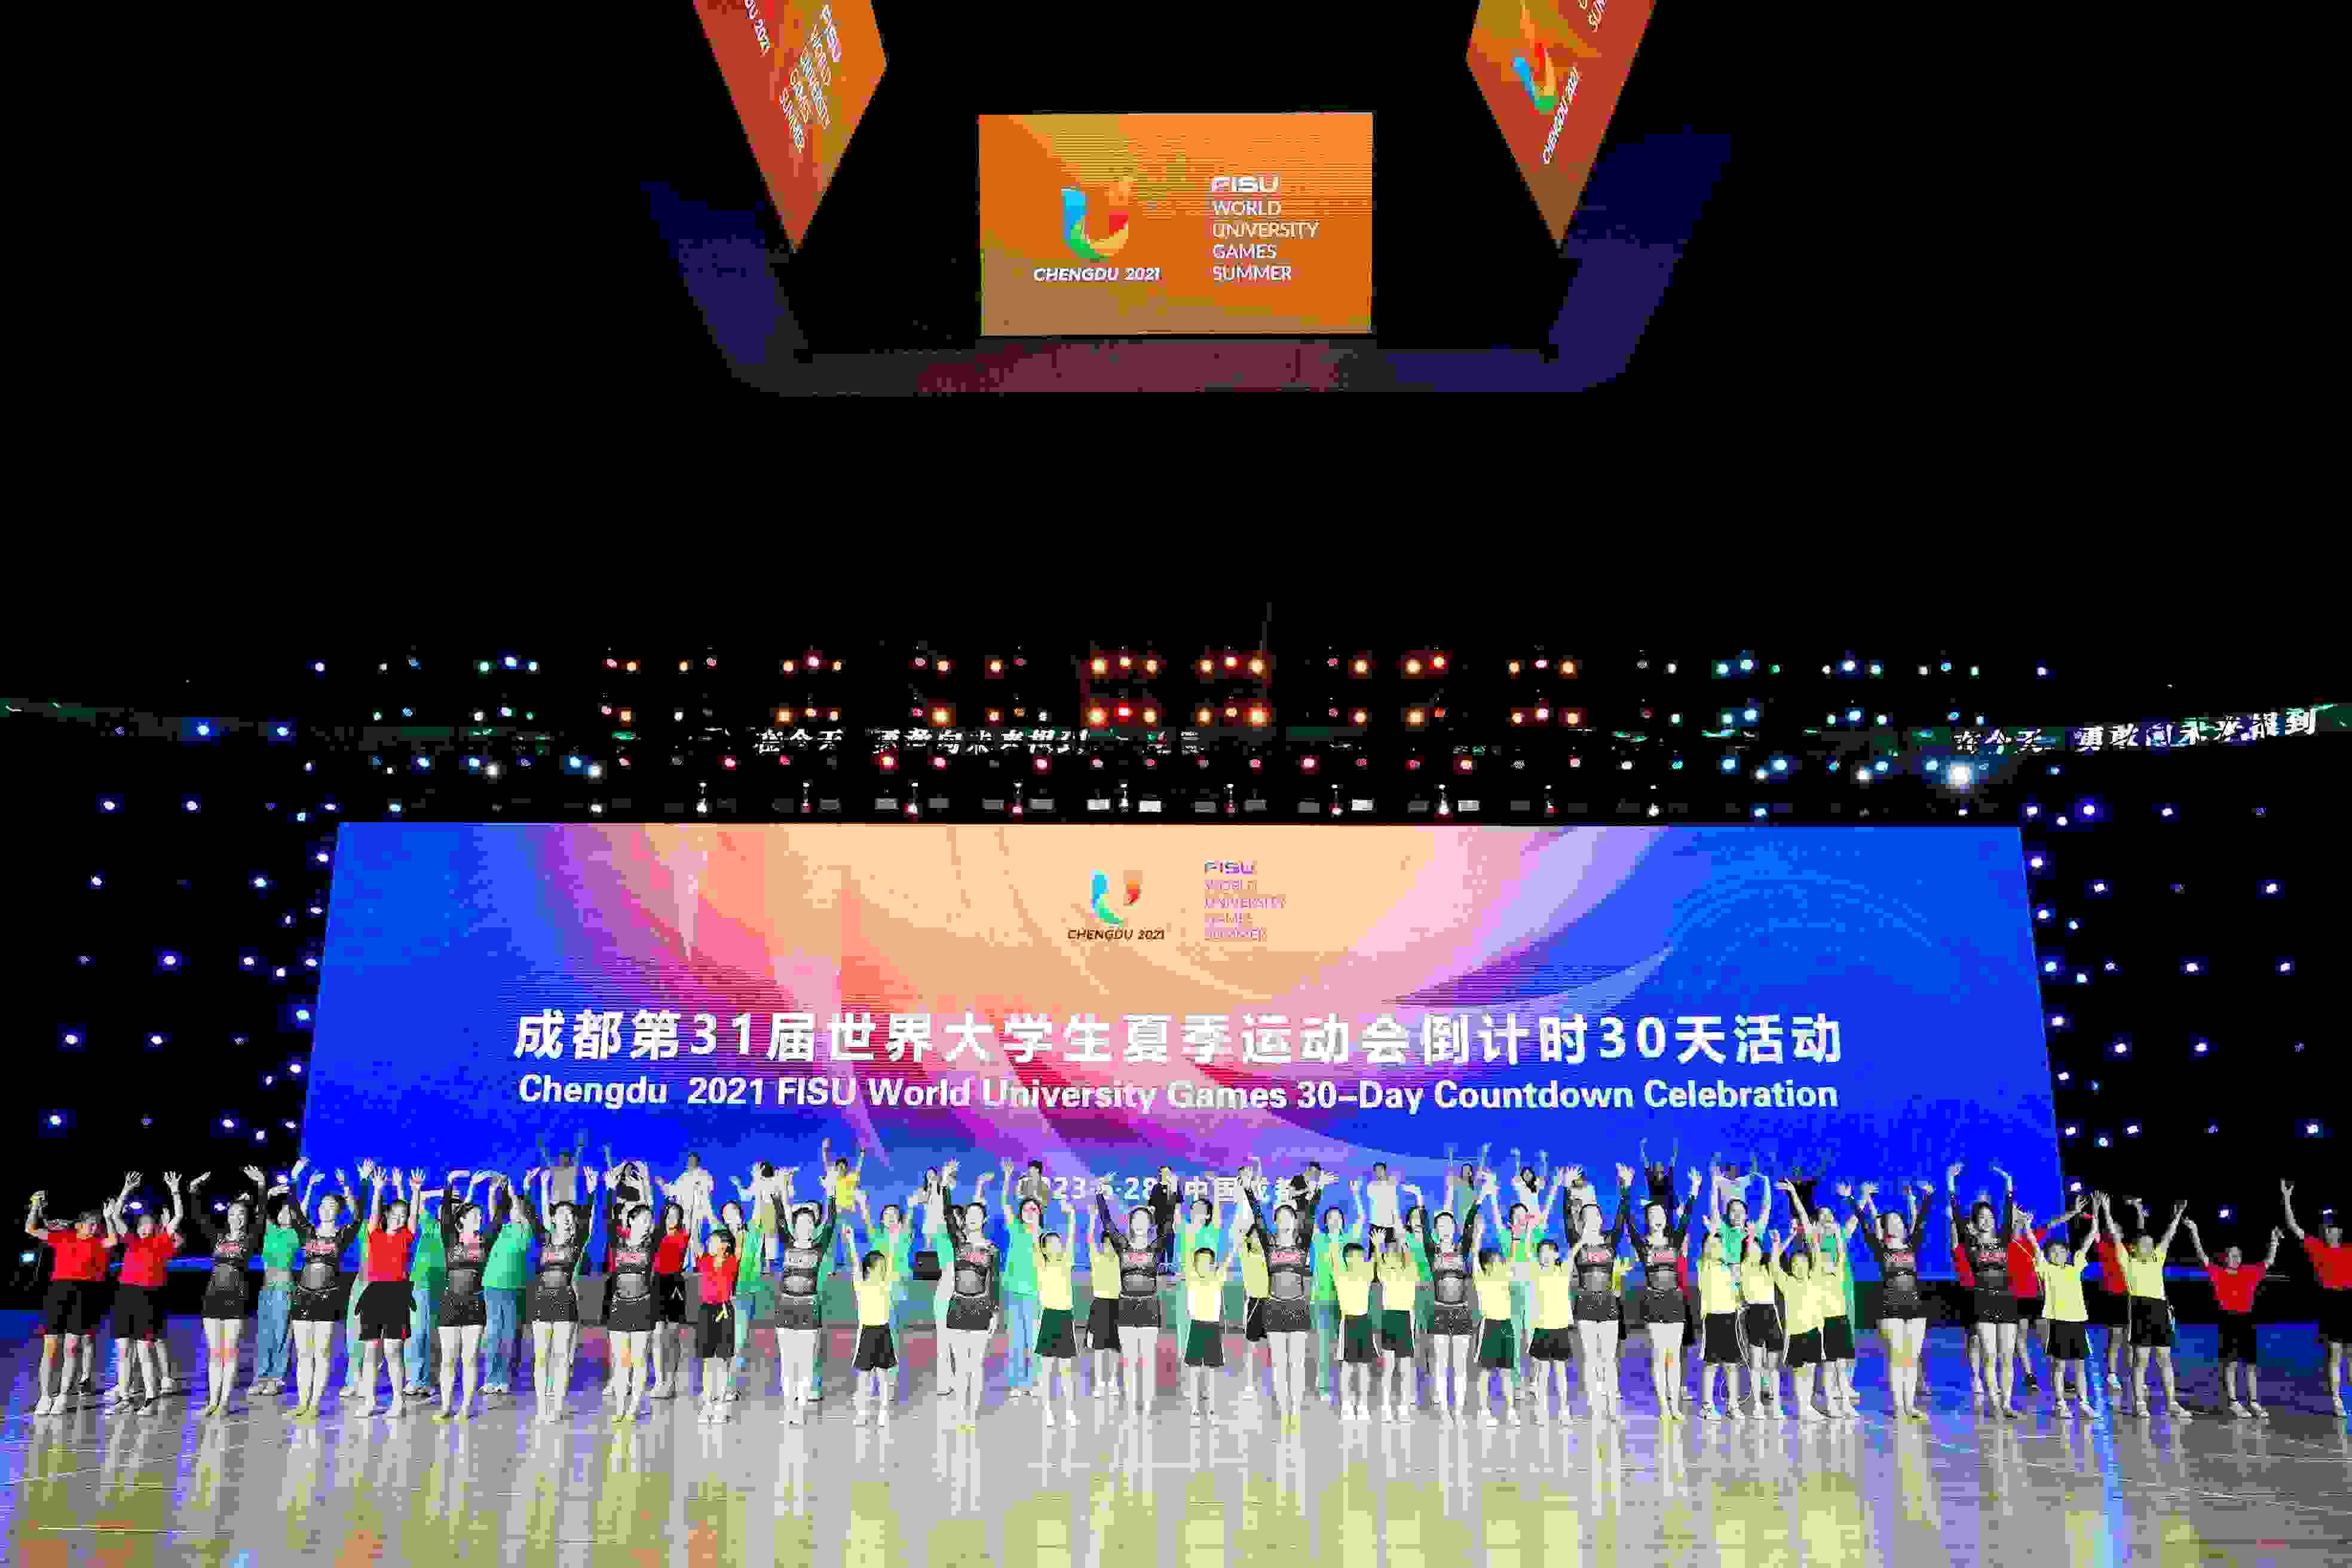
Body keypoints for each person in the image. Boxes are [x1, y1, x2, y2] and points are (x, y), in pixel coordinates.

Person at [182, 1167, 272, 1414]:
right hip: (212, 1298)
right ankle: (212, 1401)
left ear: (246, 1217)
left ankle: (224, 1402)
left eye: (241, 1214)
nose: (237, 1218)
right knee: (214, 1353)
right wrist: (194, 1190)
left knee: (229, 1352)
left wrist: (261, 1186)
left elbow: (262, 1216)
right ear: (228, 1216)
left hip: (236, 1299)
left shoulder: (251, 1238)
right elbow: (199, 1216)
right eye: (233, 1214)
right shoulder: (218, 1237)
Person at [2102, 1192, 2190, 1419]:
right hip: (2140, 1309)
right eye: (2144, 1245)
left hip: (2160, 1310)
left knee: (2165, 1359)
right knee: (2140, 1360)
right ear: (2133, 1248)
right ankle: (2140, 1403)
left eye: (2151, 1244)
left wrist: (2178, 1215)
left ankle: (2172, 1403)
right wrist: (2106, 1211)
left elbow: (2169, 1236)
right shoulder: (2127, 1261)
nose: (2150, 1247)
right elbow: (2115, 1236)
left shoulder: (2157, 1258)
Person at [26, 1190, 113, 1415]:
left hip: (84, 1294)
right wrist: (35, 1205)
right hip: (58, 1292)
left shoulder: (99, 1242)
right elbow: (31, 1229)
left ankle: (63, 1396)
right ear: (80, 1225)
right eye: (91, 1224)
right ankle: (45, 1396)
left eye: (97, 1225)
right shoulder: (63, 1237)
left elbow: (113, 1239)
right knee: (51, 1347)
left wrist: (110, 1217)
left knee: (73, 1347)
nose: (95, 1228)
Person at [285, 1166, 361, 1420]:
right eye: (323, 1205)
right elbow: (294, 1209)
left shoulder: (342, 1235)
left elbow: (358, 1217)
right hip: (302, 1295)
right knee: (303, 1354)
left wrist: (352, 1186)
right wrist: (294, 1178)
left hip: (327, 1297)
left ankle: (315, 1404)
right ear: (318, 1209)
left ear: (338, 1212)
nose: (326, 1209)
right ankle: (302, 1402)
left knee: (322, 1352)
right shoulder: (307, 1231)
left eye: (332, 1206)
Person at [1949, 1160, 2023, 1419]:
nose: (1987, 1221)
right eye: (1981, 1218)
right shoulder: (1970, 1243)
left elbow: (2009, 1211)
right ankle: (1994, 1402)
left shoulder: (2003, 1239)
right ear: (1975, 1222)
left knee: (2007, 1356)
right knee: (1990, 1355)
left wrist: (2008, 1183)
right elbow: (1956, 1214)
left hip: (2007, 1301)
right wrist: (1951, 1183)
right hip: (1983, 1302)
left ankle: (2007, 1403)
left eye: (1990, 1217)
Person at [517, 1169, 592, 1423]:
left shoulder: (577, 1242)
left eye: (570, 1214)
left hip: (565, 1304)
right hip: (541, 1302)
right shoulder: (543, 1239)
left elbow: (587, 1218)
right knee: (541, 1357)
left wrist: (592, 1191)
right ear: (554, 1218)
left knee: (560, 1357)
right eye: (562, 1214)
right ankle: (541, 1406)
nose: (567, 1217)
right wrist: (528, 1188)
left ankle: (557, 1406)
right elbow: (531, 1215)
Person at [2185, 1216, 2277, 1418]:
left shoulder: (2250, 1272)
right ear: (2225, 1258)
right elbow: (2202, 1255)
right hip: (2228, 1320)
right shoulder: (2217, 1273)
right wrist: (2194, 1231)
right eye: (2232, 1255)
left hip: (2247, 1321)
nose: (2236, 1258)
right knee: (2231, 1363)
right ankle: (2234, 1402)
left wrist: (2274, 1241)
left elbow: (2269, 1261)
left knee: (2251, 1364)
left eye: (2238, 1256)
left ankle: (2254, 1402)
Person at [103, 1174, 182, 1411]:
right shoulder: (131, 1241)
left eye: (149, 1224)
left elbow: (178, 1216)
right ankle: (125, 1397)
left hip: (147, 1297)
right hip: (125, 1295)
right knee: (123, 1350)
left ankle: (150, 1397)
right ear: (137, 1229)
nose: (145, 1227)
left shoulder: (162, 1241)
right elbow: (116, 1216)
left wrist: (175, 1191)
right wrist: (126, 1189)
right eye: (141, 1224)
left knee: (145, 1349)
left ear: (155, 1227)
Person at [1243, 1169, 1314, 1431]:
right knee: (1279, 1364)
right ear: (1275, 1221)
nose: (1285, 1220)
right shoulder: (1269, 1244)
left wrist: (1315, 1193)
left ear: (1295, 1222)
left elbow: (1310, 1216)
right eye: (1280, 1217)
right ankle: (1285, 1413)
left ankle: (1296, 1412)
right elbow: (1258, 1217)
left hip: (1298, 1307)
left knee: (1297, 1364)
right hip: (1273, 1308)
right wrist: (1249, 1191)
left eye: (1289, 1217)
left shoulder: (1302, 1244)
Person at [773, 1166, 841, 1428]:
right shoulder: (787, 1243)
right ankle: (788, 1408)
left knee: (805, 1363)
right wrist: (780, 1188)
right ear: (795, 1226)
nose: (805, 1226)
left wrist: (831, 1192)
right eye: (800, 1222)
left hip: (809, 1311)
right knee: (787, 1363)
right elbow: (780, 1214)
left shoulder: (819, 1247)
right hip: (785, 1309)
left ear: (814, 1227)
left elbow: (832, 1221)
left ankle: (800, 1408)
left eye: (810, 1223)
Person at [1857, 1180, 1931, 1420]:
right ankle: (1899, 1406)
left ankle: (1910, 1405)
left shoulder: (1912, 1245)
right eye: (1892, 1221)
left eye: (1900, 1220)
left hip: (1916, 1308)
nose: (1897, 1223)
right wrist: (1860, 1200)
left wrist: (1927, 1197)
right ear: (1886, 1227)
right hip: (1890, 1308)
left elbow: (1921, 1220)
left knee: (1911, 1358)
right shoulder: (1881, 1249)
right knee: (1898, 1357)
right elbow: (1865, 1225)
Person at [350, 1162, 416, 1420]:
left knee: (393, 1351)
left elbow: (413, 1217)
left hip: (397, 1296)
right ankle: (370, 1401)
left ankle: (399, 1402)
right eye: (395, 1214)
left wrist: (415, 1190)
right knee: (370, 1351)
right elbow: (374, 1212)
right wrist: (377, 1189)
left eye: (404, 1215)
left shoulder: (406, 1236)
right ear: (387, 1215)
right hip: (373, 1295)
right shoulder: (374, 1233)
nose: (400, 1219)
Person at [1628, 1168, 1695, 1422]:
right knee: (1659, 1355)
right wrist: (1626, 1188)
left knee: (1674, 1356)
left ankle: (1675, 1405)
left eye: (1661, 1214)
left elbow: (1686, 1218)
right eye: (1653, 1215)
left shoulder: (1675, 1241)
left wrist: (1694, 1191)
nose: (1658, 1218)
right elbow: (1626, 1221)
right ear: (1648, 1219)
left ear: (1666, 1219)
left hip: (1675, 1301)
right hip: (1654, 1302)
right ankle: (1663, 1407)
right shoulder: (1643, 1245)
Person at [434, 1175, 503, 1421]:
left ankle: (465, 1406)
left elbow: (498, 1220)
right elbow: (445, 1214)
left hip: (475, 1304)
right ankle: (445, 1406)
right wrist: (449, 1183)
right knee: (448, 1359)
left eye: (480, 1216)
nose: (479, 1218)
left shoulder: (485, 1241)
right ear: (461, 1220)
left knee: (470, 1358)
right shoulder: (450, 1239)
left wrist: (499, 1190)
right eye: (474, 1215)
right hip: (450, 1303)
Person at [2281, 1180, 2351, 1416]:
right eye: (2327, 1230)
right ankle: (2337, 1400)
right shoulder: (2317, 1248)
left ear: (2340, 1233)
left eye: (2334, 1229)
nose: (2330, 1232)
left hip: (2349, 1300)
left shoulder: (2350, 1251)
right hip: (2331, 1302)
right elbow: (2293, 1226)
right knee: (2335, 1353)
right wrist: (2287, 1198)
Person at [1097, 1178, 1164, 1420]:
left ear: (1150, 1224)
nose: (1140, 1223)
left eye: (1145, 1219)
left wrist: (1170, 1192)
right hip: (1125, 1307)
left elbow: (1168, 1226)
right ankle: (1130, 1406)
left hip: (1150, 1307)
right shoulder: (1123, 1245)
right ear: (1131, 1223)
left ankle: (1147, 1407)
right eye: (1136, 1219)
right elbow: (1107, 1223)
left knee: (1148, 1360)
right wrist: (1100, 1195)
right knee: (1129, 1360)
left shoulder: (1156, 1247)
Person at [1569, 1166, 1631, 1422]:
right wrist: (1565, 1190)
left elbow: (1622, 1217)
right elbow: (1567, 1215)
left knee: (1608, 1358)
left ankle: (1612, 1407)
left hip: (1608, 1304)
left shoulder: (1610, 1241)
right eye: (1588, 1215)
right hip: (1585, 1303)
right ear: (1582, 1220)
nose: (1594, 1218)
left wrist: (1625, 1188)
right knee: (1591, 1358)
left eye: (1597, 1214)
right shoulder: (1577, 1241)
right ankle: (1595, 1408)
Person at [943, 1162, 1002, 1430]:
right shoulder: (959, 1242)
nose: (974, 1218)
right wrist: (945, 1183)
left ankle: (971, 1415)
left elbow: (995, 1282)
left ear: (984, 1220)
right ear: (965, 1219)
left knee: (975, 1365)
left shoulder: (992, 1250)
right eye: (970, 1214)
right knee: (960, 1365)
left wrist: (995, 1313)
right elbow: (947, 1214)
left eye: (978, 1214)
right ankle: (958, 1411)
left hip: (981, 1309)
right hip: (957, 1307)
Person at [2033, 1207, 2096, 1415]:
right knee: (2059, 1365)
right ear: (2048, 1256)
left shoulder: (2075, 1267)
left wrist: (2096, 1216)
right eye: (2053, 1253)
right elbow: (2035, 1247)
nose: (2057, 1255)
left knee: (2080, 1365)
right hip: (2058, 1323)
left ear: (2067, 1253)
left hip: (2077, 1323)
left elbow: (2087, 1243)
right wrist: (2028, 1228)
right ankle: (2060, 1403)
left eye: (2061, 1252)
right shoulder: (2047, 1270)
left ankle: (2084, 1402)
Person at [604, 1195, 660, 1424]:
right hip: (619, 1306)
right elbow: (608, 1219)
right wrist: (609, 1190)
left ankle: (634, 1407)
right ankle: (620, 1406)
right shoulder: (617, 1242)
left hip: (643, 1306)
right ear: (631, 1220)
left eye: (650, 1219)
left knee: (639, 1360)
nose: (648, 1223)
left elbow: (657, 1217)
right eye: (644, 1219)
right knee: (622, 1361)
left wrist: (645, 1187)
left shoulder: (651, 1245)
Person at [481, 1172, 536, 1398]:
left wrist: (514, 1192)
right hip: (492, 1285)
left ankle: (504, 1378)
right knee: (493, 1334)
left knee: (510, 1335)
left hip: (514, 1288)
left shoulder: (525, 1230)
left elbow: (522, 1212)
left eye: (517, 1208)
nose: (514, 1210)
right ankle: (490, 1379)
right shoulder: (502, 1229)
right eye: (513, 1208)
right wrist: (494, 1191)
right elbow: (494, 1212)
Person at [404, 1169, 458, 1399]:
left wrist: (451, 1198)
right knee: (417, 1332)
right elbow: (419, 1203)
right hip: (420, 1282)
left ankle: (427, 1380)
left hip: (441, 1284)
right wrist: (441, 1192)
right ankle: (413, 1379)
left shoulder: (452, 1230)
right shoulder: (427, 1222)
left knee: (433, 1335)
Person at [846, 1196, 898, 1426]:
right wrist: (851, 1242)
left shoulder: (886, 1284)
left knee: (883, 1375)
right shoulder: (861, 1284)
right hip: (866, 1332)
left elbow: (892, 1260)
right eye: (880, 1266)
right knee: (864, 1375)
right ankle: (862, 1412)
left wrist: (893, 1241)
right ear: (870, 1269)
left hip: (883, 1331)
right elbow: (855, 1263)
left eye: (884, 1267)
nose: (884, 1269)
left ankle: (884, 1411)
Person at [1031, 1192, 1081, 1425]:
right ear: (1044, 1249)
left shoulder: (1066, 1261)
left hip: (1065, 1317)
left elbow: (1072, 1235)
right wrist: (1035, 1220)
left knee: (1066, 1369)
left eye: (1057, 1243)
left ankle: (1070, 1410)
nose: (1055, 1246)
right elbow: (1034, 1239)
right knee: (1046, 1369)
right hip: (1048, 1316)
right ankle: (1047, 1411)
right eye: (1049, 1243)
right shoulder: (1041, 1264)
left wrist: (1071, 1216)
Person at [1308, 1188, 1362, 1404]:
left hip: (1345, 1302)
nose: (1334, 1220)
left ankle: (1347, 1385)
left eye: (1338, 1217)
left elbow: (1362, 1219)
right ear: (1325, 1222)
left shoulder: (1348, 1240)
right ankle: (1323, 1385)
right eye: (1330, 1217)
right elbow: (1309, 1217)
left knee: (1345, 1344)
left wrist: (1356, 1195)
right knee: (1324, 1345)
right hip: (1322, 1299)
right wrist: (1316, 1191)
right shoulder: (1319, 1238)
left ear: (1342, 1221)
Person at [997, 1159, 1045, 1402]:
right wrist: (1007, 1178)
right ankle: (1016, 1383)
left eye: (1034, 1209)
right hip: (1013, 1292)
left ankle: (1033, 1382)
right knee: (1016, 1341)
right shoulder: (1015, 1229)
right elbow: (1004, 1203)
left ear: (1040, 1213)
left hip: (1034, 1294)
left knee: (1034, 1341)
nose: (1029, 1211)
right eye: (1026, 1208)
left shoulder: (1044, 1237)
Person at [1183, 1235, 1240, 1424]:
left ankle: (1212, 1409)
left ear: (1213, 1265)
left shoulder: (1218, 1279)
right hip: (1196, 1327)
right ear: (1195, 1265)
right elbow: (1186, 1251)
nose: (1203, 1266)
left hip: (1213, 1329)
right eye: (1200, 1262)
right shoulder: (1192, 1279)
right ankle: (1194, 1410)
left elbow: (1229, 1260)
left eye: (1208, 1263)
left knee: (1211, 1371)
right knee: (1194, 1371)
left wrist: (1236, 1244)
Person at [254, 1177, 301, 1398]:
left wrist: (297, 1189)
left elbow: (301, 1210)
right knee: (264, 1333)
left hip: (284, 1288)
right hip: (266, 1288)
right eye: (282, 1211)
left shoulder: (295, 1234)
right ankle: (261, 1376)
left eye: (289, 1212)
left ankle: (277, 1378)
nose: (284, 1214)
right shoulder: (270, 1230)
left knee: (281, 1334)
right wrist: (267, 1194)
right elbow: (260, 1214)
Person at [1694, 1212, 1743, 1420]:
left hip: (1730, 1318)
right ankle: (1707, 1406)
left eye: (1719, 1244)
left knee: (1732, 1364)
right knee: (1712, 1364)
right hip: (1713, 1319)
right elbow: (1707, 1253)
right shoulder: (1703, 1265)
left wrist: (1738, 1302)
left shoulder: (1726, 1268)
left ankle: (1733, 1405)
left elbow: (1734, 1291)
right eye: (1712, 1244)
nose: (1716, 1247)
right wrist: (1713, 1232)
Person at [1083, 1174, 1126, 1403]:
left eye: (1113, 1242)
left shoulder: (1121, 1259)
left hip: (1117, 1303)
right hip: (1100, 1304)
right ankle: (1100, 1383)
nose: (1109, 1245)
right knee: (1099, 1348)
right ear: (1102, 1243)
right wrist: (1093, 1217)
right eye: (1106, 1242)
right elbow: (1089, 1237)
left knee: (1116, 1347)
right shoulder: (1096, 1256)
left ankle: (1112, 1382)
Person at [693, 1224, 741, 1424]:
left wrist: (738, 1228)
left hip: (724, 1311)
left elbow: (740, 1240)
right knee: (707, 1360)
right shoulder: (704, 1260)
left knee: (722, 1360)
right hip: (706, 1311)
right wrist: (695, 1214)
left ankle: (720, 1405)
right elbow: (695, 1241)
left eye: (713, 1242)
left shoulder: (732, 1261)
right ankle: (707, 1405)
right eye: (709, 1242)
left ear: (725, 1245)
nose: (709, 1245)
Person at [1471, 1233, 1520, 1427]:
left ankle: (1511, 1410)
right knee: (1485, 1371)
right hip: (1489, 1326)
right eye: (1498, 1262)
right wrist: (1478, 1237)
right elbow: (1474, 1257)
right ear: (1488, 1266)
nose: (1503, 1264)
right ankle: (1483, 1411)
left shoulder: (1505, 1276)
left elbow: (1513, 1257)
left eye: (1502, 1261)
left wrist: (1516, 1237)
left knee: (1507, 1371)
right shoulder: (1481, 1279)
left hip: (1506, 1326)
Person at [650, 1190, 694, 1399]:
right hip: (658, 1283)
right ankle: (659, 1380)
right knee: (658, 1333)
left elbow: (692, 1216)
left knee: (673, 1334)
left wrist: (696, 1195)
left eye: (676, 1216)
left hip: (675, 1283)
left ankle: (671, 1382)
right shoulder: (656, 1236)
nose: (672, 1219)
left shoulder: (684, 1236)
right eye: (670, 1215)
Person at [1374, 1223, 1421, 1422]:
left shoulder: (1411, 1265)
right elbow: (1380, 1267)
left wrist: (1405, 1248)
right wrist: (1378, 1247)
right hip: (1389, 1317)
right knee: (1388, 1367)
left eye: (1400, 1244)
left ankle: (1403, 1407)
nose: (1396, 1247)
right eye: (1392, 1245)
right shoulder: (1386, 1264)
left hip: (1406, 1317)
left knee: (1405, 1368)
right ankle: (1386, 1406)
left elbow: (1412, 1272)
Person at [1331, 1229, 1379, 1423]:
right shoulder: (1339, 1274)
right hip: (1348, 1322)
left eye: (1360, 1256)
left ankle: (1363, 1405)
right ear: (1346, 1259)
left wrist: (1377, 1245)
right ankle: (1346, 1405)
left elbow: (1374, 1258)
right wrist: (1335, 1239)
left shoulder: (1367, 1272)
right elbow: (1334, 1256)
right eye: (1353, 1256)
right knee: (1348, 1366)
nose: (1358, 1259)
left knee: (1364, 1367)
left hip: (1364, 1322)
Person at [819, 1138, 865, 1273]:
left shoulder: (851, 1179)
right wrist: (824, 1150)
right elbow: (826, 1163)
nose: (841, 1168)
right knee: (830, 1241)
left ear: (846, 1168)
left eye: (843, 1166)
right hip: (833, 1213)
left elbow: (859, 1168)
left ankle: (850, 1267)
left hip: (846, 1213)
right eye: (839, 1166)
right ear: (836, 1168)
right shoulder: (832, 1178)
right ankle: (830, 1268)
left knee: (848, 1240)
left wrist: (862, 1153)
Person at [537, 1128, 589, 1208]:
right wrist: (541, 1145)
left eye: (565, 1159)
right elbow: (546, 1157)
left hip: (566, 1201)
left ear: (569, 1160)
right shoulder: (555, 1169)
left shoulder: (572, 1168)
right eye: (562, 1159)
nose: (563, 1161)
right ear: (559, 1160)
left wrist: (581, 1143)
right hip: (559, 1201)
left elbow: (578, 1155)